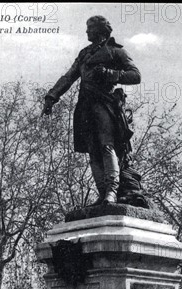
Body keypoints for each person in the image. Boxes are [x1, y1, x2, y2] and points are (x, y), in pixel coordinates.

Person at [42, 15, 145, 206]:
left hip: (105, 104)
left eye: (90, 28)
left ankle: (112, 192)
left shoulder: (116, 51)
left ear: (100, 30)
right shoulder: (84, 54)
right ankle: (102, 193)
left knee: (107, 146)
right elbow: (69, 77)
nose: (87, 31)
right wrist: (51, 96)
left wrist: (110, 74)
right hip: (85, 107)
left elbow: (135, 75)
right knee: (93, 152)